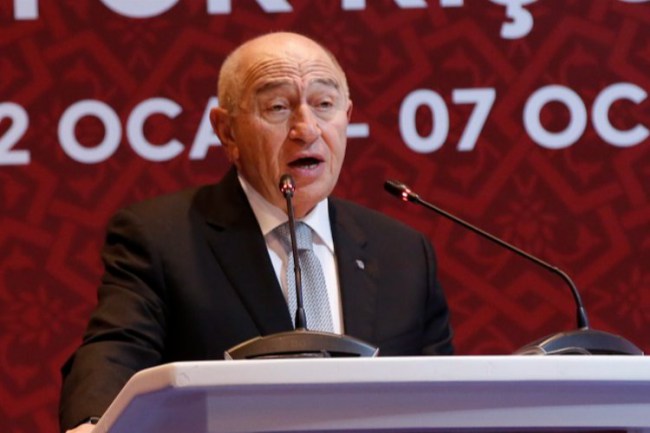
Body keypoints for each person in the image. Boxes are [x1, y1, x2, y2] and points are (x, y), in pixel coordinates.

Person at [59, 32, 453, 433]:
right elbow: (115, 350)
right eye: (278, 107)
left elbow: (446, 398)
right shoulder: (162, 238)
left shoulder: (403, 253)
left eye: (324, 105)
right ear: (227, 131)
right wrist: (92, 424)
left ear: (347, 117)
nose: (307, 129)